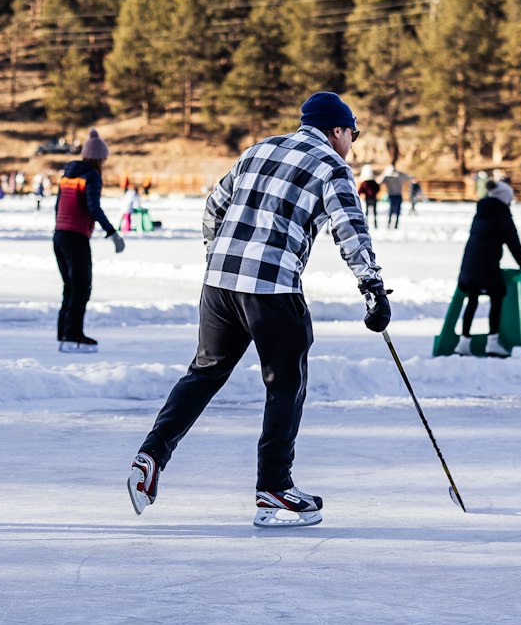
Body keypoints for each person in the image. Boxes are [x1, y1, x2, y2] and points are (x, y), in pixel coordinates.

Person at [128, 92, 388, 528]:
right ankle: (274, 489)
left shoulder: (259, 148)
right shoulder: (331, 165)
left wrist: (218, 256)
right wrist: (372, 284)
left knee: (205, 372)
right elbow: (350, 227)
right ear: (337, 129)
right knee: (286, 383)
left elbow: (214, 204)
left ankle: (150, 456)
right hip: (271, 287)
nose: (352, 144)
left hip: (219, 284)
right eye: (353, 135)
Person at [52, 130, 124, 353]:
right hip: (76, 236)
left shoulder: (67, 174)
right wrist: (112, 233)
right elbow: (93, 207)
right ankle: (74, 334)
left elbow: (58, 205)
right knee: (82, 287)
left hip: (59, 235)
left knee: (70, 286)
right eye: (103, 159)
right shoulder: (91, 176)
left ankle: (64, 331)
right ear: (98, 158)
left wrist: (61, 226)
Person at [457, 177, 521, 355]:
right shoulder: (501, 214)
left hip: (468, 264)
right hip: (487, 265)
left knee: (472, 298)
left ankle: (464, 342)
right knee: (497, 296)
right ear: (505, 197)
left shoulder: (481, 211)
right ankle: (493, 342)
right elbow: (513, 242)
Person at [380, 164, 409, 230]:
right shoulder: (397, 177)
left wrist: (384, 173)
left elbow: (380, 182)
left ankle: (392, 224)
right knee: (394, 210)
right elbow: (408, 177)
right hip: (395, 195)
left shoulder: (389, 177)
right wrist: (401, 173)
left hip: (394, 195)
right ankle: (393, 224)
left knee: (393, 210)